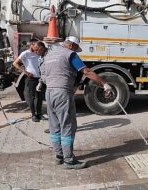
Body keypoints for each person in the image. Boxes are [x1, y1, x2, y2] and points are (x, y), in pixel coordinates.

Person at [41, 36, 112, 169]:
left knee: (54, 125)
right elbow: (86, 72)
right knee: (68, 126)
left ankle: (58, 156)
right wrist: (104, 83)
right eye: (76, 48)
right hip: (62, 93)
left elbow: (43, 76)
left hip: (49, 93)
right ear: (72, 45)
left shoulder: (49, 55)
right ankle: (69, 161)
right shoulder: (70, 54)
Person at [13, 38, 43, 122]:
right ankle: (33, 115)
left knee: (40, 97)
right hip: (31, 78)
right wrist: (25, 72)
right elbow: (15, 63)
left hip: (39, 78)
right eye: (36, 46)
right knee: (32, 97)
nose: (37, 48)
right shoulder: (25, 53)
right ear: (31, 45)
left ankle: (39, 114)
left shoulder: (38, 53)